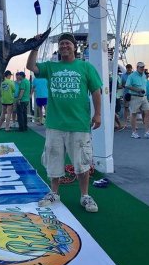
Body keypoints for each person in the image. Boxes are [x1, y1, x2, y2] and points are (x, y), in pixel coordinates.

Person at [26, 32, 102, 213]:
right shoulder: (51, 67)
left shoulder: (85, 67)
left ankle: (85, 195)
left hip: (79, 125)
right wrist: (35, 46)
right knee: (53, 161)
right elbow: (31, 66)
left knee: (82, 163)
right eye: (61, 44)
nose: (64, 46)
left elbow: (96, 91)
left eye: (68, 43)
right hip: (54, 125)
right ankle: (54, 192)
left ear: (75, 47)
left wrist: (97, 114)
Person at [125, 62, 149, 139]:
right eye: (141, 67)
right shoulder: (132, 76)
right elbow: (127, 85)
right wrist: (138, 90)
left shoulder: (144, 75)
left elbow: (145, 86)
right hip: (135, 97)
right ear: (137, 67)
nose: (142, 68)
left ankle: (147, 132)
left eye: (143, 67)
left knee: (147, 113)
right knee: (134, 114)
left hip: (144, 97)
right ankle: (134, 132)